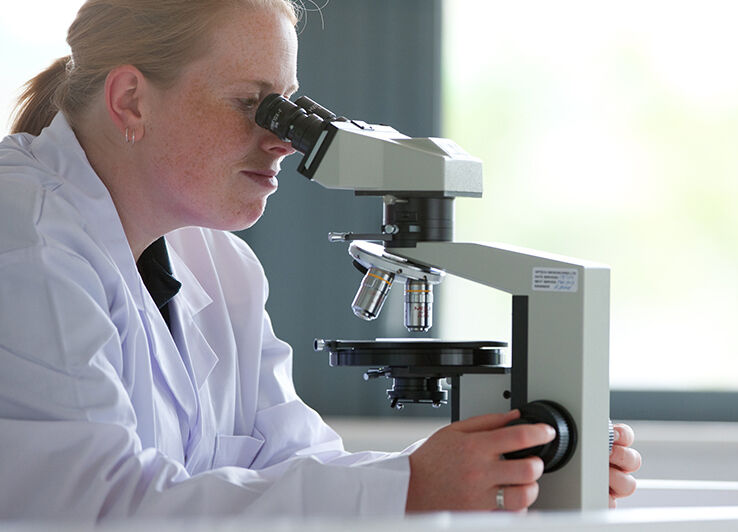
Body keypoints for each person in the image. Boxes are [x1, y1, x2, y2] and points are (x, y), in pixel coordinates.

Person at [0, 0, 640, 521]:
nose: (283, 141)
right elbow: (93, 510)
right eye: (252, 104)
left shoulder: (221, 268)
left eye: (291, 108)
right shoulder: (25, 242)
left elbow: (293, 467)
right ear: (132, 101)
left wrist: (488, 471)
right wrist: (411, 488)